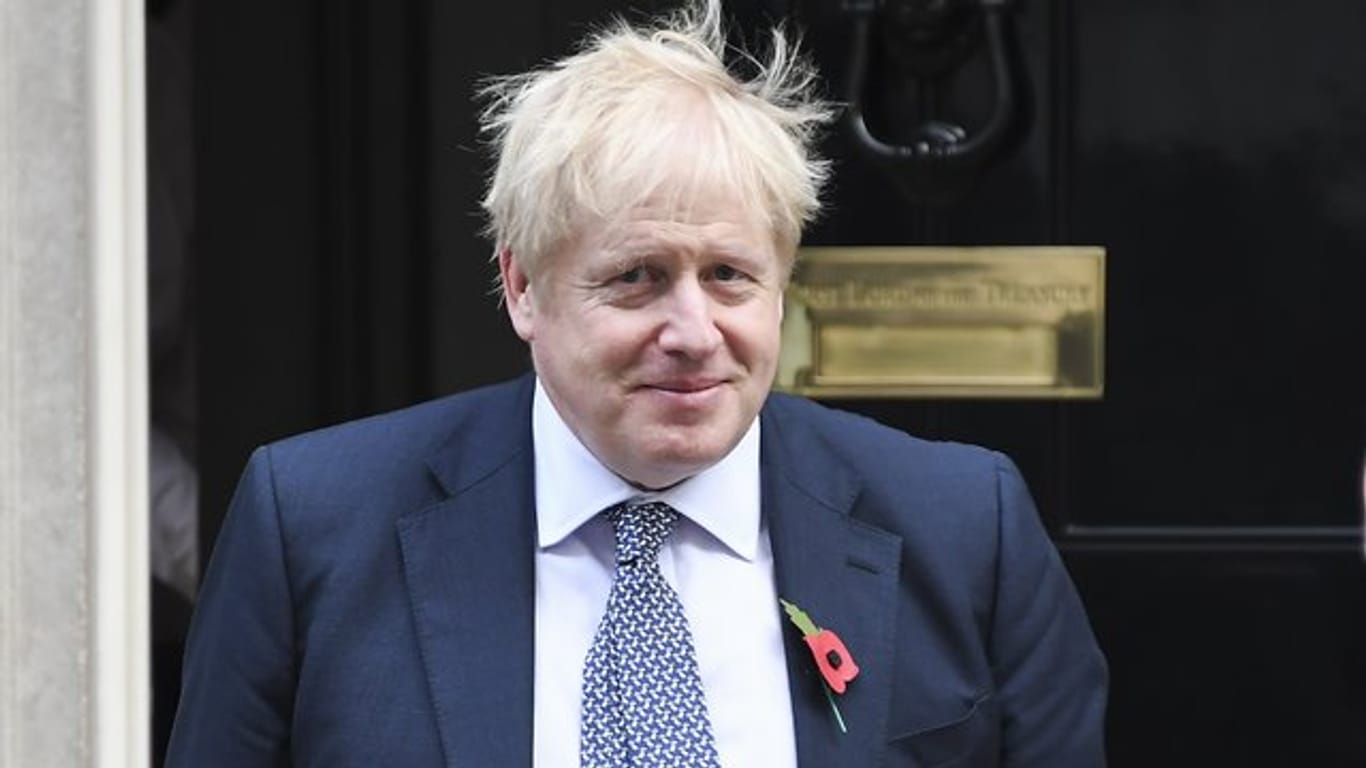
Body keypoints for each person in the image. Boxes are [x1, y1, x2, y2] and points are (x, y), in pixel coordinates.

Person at [167, 2, 1107, 765]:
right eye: (637, 277)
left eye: (731, 276)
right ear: (523, 286)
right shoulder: (315, 528)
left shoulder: (963, 528)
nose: (694, 333)